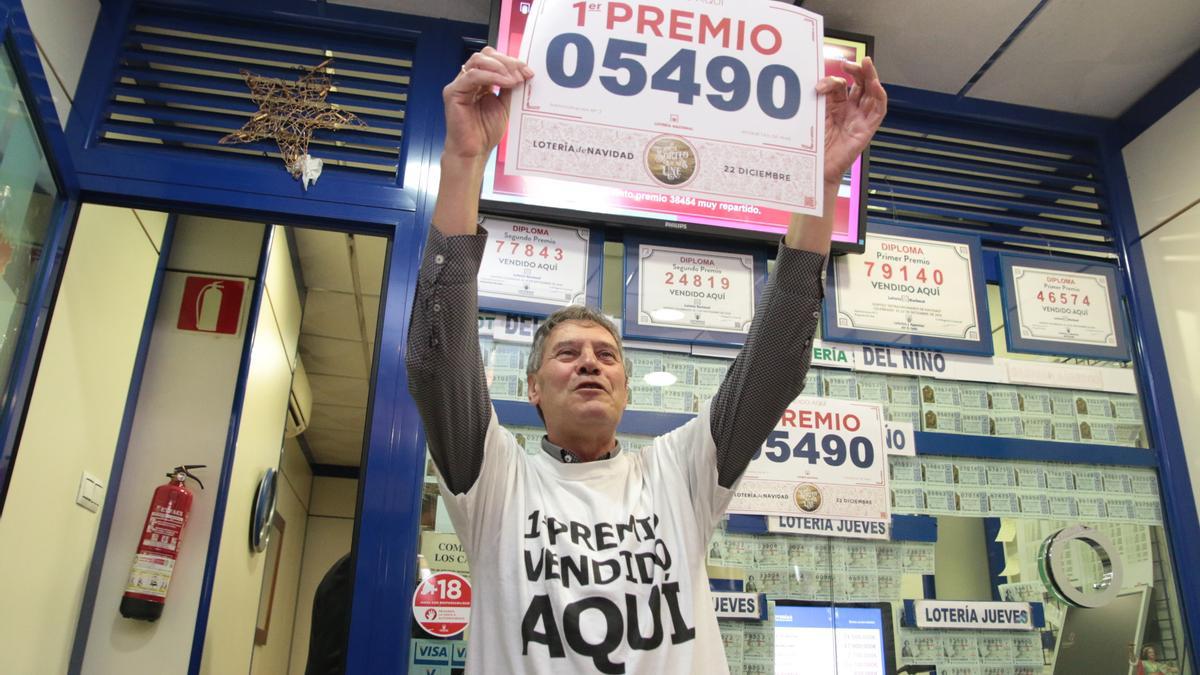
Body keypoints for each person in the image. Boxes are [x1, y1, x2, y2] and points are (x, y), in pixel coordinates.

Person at [406, 45, 886, 674]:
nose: (589, 364)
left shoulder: (679, 473)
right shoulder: (494, 480)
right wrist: (464, 159)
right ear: (533, 390)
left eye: (606, 355)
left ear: (625, 391)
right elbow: (439, 359)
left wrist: (820, 183)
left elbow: (773, 366)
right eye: (567, 354)